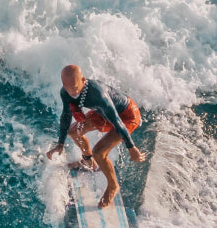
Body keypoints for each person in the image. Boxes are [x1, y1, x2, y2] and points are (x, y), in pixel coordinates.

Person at [46, 65, 147, 208]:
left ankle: (112, 186)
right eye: (69, 88)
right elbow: (66, 115)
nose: (73, 91)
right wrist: (60, 144)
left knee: (99, 152)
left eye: (75, 87)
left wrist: (131, 147)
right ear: (63, 85)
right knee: (73, 132)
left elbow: (117, 122)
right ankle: (87, 161)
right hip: (102, 114)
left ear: (83, 80)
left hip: (126, 116)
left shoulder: (98, 95)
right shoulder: (66, 93)